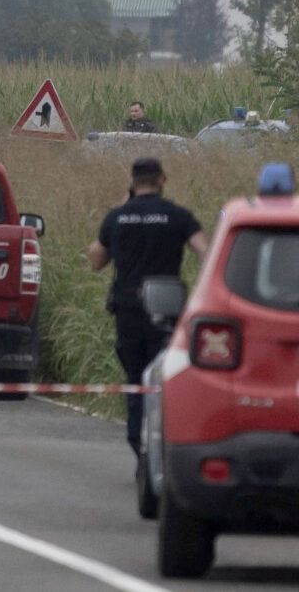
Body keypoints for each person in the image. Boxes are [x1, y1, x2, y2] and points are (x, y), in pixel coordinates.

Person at [88, 158, 209, 458]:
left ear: (133, 181)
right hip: (166, 311)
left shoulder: (118, 217)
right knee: (165, 377)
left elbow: (96, 260)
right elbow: (207, 254)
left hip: (128, 310)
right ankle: (165, 440)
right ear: (162, 179)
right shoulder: (178, 217)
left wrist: (123, 206)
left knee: (135, 376)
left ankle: (137, 439)